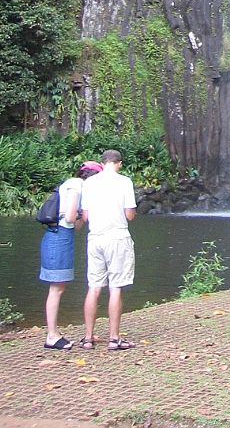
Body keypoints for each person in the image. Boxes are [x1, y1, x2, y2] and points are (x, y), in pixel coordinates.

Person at [39, 160, 103, 350]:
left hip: (63, 237)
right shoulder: (76, 185)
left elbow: (75, 225)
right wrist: (80, 213)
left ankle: (54, 333)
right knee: (56, 288)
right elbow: (69, 218)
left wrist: (82, 213)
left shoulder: (78, 187)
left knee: (59, 287)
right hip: (57, 238)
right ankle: (51, 336)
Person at [79, 149, 137, 351]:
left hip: (95, 238)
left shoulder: (89, 183)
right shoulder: (125, 182)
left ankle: (88, 338)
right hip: (117, 238)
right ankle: (113, 339)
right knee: (115, 288)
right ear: (119, 163)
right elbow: (129, 215)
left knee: (93, 288)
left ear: (102, 164)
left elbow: (85, 217)